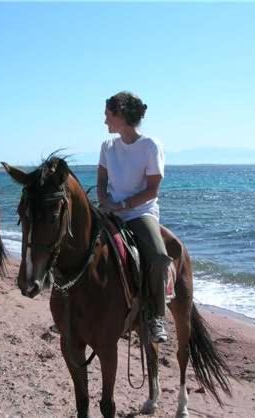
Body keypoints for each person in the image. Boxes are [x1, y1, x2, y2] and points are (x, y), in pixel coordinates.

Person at [97, 91, 171, 343]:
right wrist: (106, 203)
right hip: (110, 211)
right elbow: (101, 183)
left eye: (108, 115)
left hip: (141, 213)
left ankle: (155, 316)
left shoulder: (150, 146)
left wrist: (123, 205)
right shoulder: (107, 147)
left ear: (120, 115)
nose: (105, 120)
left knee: (159, 257)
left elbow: (152, 190)